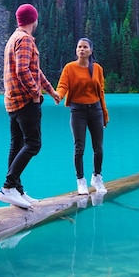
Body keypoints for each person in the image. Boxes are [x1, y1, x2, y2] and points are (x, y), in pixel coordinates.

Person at [0, 4, 60, 209]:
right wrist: (36, 94)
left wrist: (50, 91)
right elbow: (23, 70)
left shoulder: (13, 39)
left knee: (16, 145)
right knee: (33, 144)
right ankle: (7, 188)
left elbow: (35, 70)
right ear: (33, 19)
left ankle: (17, 190)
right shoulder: (24, 39)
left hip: (12, 101)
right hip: (25, 101)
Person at [56, 38, 109, 196]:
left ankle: (97, 177)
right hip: (77, 112)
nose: (82, 49)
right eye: (79, 47)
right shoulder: (69, 68)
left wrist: (104, 114)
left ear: (90, 50)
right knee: (79, 148)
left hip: (96, 110)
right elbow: (63, 85)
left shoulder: (97, 69)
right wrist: (58, 95)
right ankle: (81, 181)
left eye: (85, 47)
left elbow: (101, 92)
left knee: (98, 148)